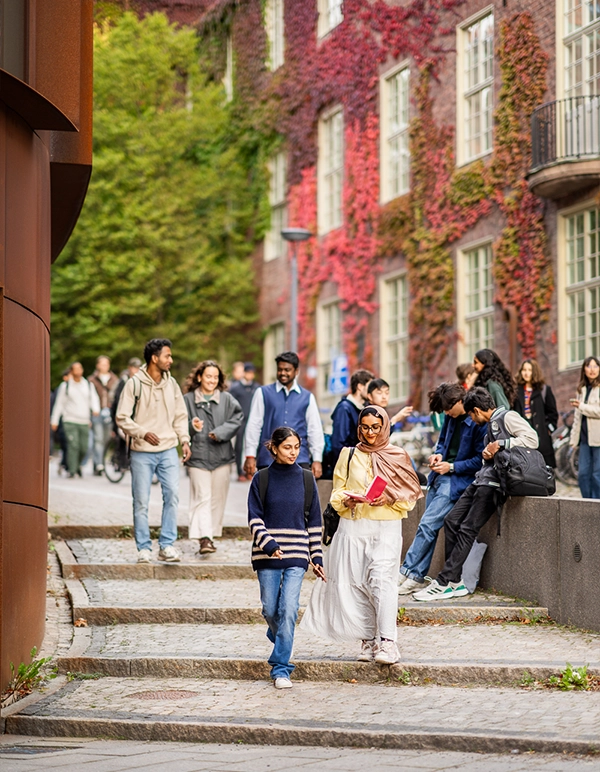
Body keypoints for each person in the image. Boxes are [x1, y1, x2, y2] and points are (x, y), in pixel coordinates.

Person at [301, 405, 423, 665]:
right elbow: (336, 492)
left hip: (385, 528)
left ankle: (388, 642)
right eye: (365, 427)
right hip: (353, 527)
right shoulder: (348, 455)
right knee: (357, 584)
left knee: (382, 581)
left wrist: (388, 498)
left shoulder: (398, 455)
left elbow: (410, 496)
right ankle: (368, 639)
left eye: (375, 427)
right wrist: (347, 500)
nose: (370, 433)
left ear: (384, 426)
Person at [413, 387, 538, 602]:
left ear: (477, 411)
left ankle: (445, 581)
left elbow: (533, 439)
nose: (471, 419)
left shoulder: (507, 417)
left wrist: (501, 444)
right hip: (481, 479)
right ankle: (454, 582)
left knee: (468, 528)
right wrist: (487, 454)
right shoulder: (488, 424)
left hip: (494, 484)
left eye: (471, 415)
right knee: (451, 520)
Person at [248, 427, 325, 689]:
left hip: (297, 554)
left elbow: (314, 522)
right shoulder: (261, 478)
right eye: (287, 447)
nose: (293, 452)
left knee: (289, 609)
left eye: (296, 447)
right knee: (270, 609)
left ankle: (281, 668)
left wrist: (317, 558)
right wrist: (269, 544)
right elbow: (254, 518)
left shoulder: (306, 479)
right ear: (274, 448)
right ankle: (282, 635)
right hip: (267, 554)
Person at [398, 383, 487, 595]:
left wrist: (452, 467)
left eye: (448, 408)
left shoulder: (477, 421)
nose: (446, 413)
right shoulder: (450, 417)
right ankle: (415, 575)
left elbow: (480, 460)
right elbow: (442, 443)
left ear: (460, 401)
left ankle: (408, 572)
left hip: (456, 481)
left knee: (427, 526)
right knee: (427, 527)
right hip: (439, 477)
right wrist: (437, 455)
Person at [116, 339, 191, 564]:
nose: (171, 360)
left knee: (172, 496)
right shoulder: (134, 384)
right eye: (167, 356)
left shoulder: (172, 384)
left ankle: (166, 545)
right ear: (154, 358)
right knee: (141, 501)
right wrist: (142, 432)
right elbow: (121, 417)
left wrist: (184, 440)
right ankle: (144, 548)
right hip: (141, 452)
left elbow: (180, 416)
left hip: (168, 449)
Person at [184, 360, 244, 554]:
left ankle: (210, 534)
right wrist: (192, 427)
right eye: (208, 376)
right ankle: (205, 539)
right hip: (198, 456)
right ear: (199, 377)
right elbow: (179, 424)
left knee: (217, 499)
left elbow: (238, 418)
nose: (211, 380)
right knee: (202, 497)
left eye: (215, 377)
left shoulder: (227, 399)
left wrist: (220, 433)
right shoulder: (188, 400)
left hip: (222, 457)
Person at [243, 351, 324, 478]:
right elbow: (254, 425)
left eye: (287, 370)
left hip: (299, 459)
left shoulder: (307, 397)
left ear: (296, 371)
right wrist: (250, 455)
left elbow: (315, 429)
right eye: (280, 369)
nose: (282, 373)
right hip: (268, 459)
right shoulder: (262, 393)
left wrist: (317, 459)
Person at [51, 362, 101, 478]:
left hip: (84, 420)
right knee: (73, 446)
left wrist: (95, 409)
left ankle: (77, 466)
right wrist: (54, 420)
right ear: (71, 371)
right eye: (76, 369)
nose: (78, 371)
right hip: (70, 420)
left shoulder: (87, 385)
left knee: (84, 447)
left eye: (80, 368)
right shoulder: (66, 386)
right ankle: (72, 471)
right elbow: (59, 404)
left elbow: (94, 398)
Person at [514, 359, 558, 468]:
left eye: (529, 370)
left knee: (544, 468)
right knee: (526, 467)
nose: (526, 373)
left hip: (541, 435)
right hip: (523, 432)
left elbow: (552, 412)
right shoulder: (516, 391)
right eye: (524, 370)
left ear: (534, 372)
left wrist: (548, 428)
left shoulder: (544, 390)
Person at [569, 355, 600, 499]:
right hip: (584, 439)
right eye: (589, 366)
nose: (592, 370)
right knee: (582, 474)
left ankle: (596, 504)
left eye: (595, 366)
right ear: (584, 369)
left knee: (597, 475)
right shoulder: (581, 390)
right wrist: (573, 439)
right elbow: (577, 418)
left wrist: (582, 406)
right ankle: (587, 503)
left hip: (598, 439)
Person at [329, 369, 374, 467]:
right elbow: (339, 443)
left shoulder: (363, 408)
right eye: (370, 386)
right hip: (348, 466)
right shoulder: (344, 408)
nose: (372, 390)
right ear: (360, 386)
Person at [89, 355, 120, 475]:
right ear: (97, 365)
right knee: (98, 439)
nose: (104, 366)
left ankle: (100, 461)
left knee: (106, 439)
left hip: (110, 413)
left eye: (106, 364)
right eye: (102, 364)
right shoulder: (92, 380)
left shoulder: (114, 379)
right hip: (96, 413)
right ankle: (99, 465)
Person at [229, 363, 260, 481]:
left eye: (252, 373)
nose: (250, 375)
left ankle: (251, 470)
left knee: (254, 444)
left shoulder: (256, 388)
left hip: (253, 420)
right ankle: (240, 471)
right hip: (241, 420)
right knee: (239, 446)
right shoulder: (236, 388)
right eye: (248, 372)